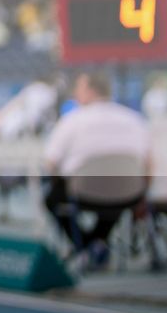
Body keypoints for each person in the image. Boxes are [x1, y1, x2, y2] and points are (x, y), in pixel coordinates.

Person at [41, 71, 152, 265]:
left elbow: (51, 163)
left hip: (83, 192)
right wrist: (143, 194)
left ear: (91, 91)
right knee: (116, 191)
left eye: (79, 89)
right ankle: (98, 242)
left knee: (52, 198)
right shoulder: (134, 119)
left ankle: (84, 245)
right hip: (129, 193)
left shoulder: (72, 120)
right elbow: (150, 164)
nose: (75, 94)